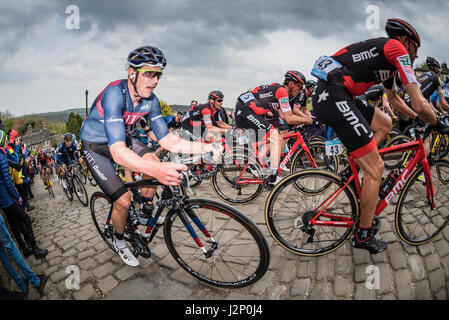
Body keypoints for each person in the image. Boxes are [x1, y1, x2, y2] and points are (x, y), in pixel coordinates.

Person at [311, 18, 449, 254]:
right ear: (407, 42)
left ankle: (354, 165)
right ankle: (363, 235)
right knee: (376, 169)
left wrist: (417, 119)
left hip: (340, 93)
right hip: (335, 94)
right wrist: (438, 123)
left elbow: (395, 100)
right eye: (416, 50)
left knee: (385, 122)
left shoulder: (389, 59)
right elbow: (417, 100)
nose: (416, 57)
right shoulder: (396, 48)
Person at [79, 45, 221, 267]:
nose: (154, 80)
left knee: (153, 160)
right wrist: (158, 171)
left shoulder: (151, 101)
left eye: (158, 75)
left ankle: (145, 211)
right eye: (148, 73)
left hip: (120, 139)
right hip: (96, 145)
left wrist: (204, 147)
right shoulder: (114, 93)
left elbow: (168, 140)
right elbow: (117, 151)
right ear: (132, 73)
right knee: (123, 201)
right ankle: (119, 241)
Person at [234, 70, 313, 185]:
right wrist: (308, 120)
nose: (300, 90)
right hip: (246, 111)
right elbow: (289, 117)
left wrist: (299, 122)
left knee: (275, 137)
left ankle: (255, 163)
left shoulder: (278, 91)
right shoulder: (281, 91)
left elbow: (283, 116)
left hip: (246, 111)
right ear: (291, 84)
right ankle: (272, 177)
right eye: (299, 87)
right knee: (276, 138)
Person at [0, 129, 48, 260]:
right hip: (8, 197)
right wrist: (18, 197)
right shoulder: (3, 155)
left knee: (14, 225)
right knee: (26, 219)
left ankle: (25, 249)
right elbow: (15, 168)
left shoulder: (3, 153)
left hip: (3, 200)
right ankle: (35, 250)